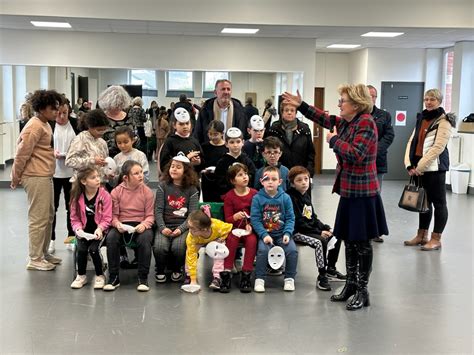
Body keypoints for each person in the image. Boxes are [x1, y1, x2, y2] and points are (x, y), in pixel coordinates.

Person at [282, 84, 389, 311]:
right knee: (349, 239)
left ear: (357, 105)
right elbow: (324, 118)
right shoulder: (350, 121)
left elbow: (357, 154)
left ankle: (362, 290)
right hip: (350, 191)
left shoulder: (366, 123)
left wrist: (333, 141)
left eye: (343, 101)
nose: (339, 104)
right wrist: (300, 105)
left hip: (363, 193)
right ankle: (350, 285)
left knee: (362, 244)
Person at [11, 89, 64, 271]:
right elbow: (21, 153)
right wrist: (15, 176)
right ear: (41, 108)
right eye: (53, 108)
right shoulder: (34, 126)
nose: (56, 112)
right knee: (38, 218)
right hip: (35, 176)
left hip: (45, 175)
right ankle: (35, 258)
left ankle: (43, 253)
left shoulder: (45, 123)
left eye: (57, 108)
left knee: (48, 216)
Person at [403, 88, 455, 251]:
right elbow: (411, 141)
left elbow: (438, 147)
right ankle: (421, 235)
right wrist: (409, 165)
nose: (429, 102)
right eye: (426, 99)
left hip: (435, 168)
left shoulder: (443, 121)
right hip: (419, 168)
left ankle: (435, 238)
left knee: (439, 204)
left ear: (439, 101)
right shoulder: (421, 118)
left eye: (432, 99)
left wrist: (420, 166)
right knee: (423, 202)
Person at [104, 160, 155, 292]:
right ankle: (114, 277)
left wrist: (144, 225)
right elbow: (112, 216)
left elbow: (150, 215)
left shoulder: (147, 192)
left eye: (141, 173)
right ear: (126, 177)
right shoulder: (116, 192)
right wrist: (117, 224)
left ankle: (143, 278)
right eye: (136, 173)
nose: (141, 176)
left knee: (145, 239)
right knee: (111, 238)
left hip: (140, 224)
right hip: (122, 224)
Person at [153, 154, 199, 284]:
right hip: (164, 225)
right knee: (159, 247)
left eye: (178, 167)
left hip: (183, 226)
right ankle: (160, 270)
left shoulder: (192, 190)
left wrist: (181, 229)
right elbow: (158, 210)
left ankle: (177, 268)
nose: (174, 169)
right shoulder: (163, 186)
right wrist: (162, 228)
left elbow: (192, 214)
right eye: (172, 166)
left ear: (186, 171)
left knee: (178, 247)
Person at [250, 166, 297, 293]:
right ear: (261, 181)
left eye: (274, 179)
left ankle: (289, 278)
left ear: (280, 182)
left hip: (282, 234)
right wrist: (264, 234)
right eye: (267, 179)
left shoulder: (285, 198)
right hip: (265, 235)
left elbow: (290, 218)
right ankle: (260, 278)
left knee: (292, 251)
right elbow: (255, 219)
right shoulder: (257, 198)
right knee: (262, 251)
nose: (270, 181)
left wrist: (287, 232)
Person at [287, 166, 333, 291]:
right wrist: (319, 232)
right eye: (299, 180)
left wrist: (325, 228)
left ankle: (331, 269)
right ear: (292, 183)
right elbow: (298, 222)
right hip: (296, 232)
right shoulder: (291, 197)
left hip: (309, 229)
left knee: (334, 235)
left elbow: (312, 217)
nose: (304, 182)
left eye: (306, 179)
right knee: (320, 241)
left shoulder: (306, 196)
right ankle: (322, 275)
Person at [69, 167, 112, 289]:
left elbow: (107, 218)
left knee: (94, 249)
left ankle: (100, 275)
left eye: (98, 176)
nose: (98, 179)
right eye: (93, 178)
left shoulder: (105, 196)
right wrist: (78, 229)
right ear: (83, 181)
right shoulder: (76, 197)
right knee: (81, 249)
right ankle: (81, 275)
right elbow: (74, 218)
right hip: (84, 232)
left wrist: (100, 229)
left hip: (99, 232)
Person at [221, 163, 258, 293]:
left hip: (249, 230)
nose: (245, 177)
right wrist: (235, 217)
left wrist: (251, 224)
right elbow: (228, 219)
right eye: (240, 175)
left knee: (252, 241)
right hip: (234, 229)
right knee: (231, 239)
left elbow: (257, 214)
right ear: (233, 181)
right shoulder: (230, 196)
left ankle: (246, 273)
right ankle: (226, 273)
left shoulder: (254, 194)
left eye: (246, 174)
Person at [367, 85, 395, 243]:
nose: (372, 98)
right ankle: (363, 228)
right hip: (360, 164)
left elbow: (389, 135)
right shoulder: (357, 115)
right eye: (368, 95)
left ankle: (375, 230)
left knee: (375, 196)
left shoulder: (384, 115)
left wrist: (374, 150)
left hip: (378, 162)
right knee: (362, 198)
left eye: (374, 96)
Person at [51, 99, 78, 253]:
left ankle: (70, 237)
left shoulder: (75, 124)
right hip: (53, 173)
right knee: (52, 208)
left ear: (69, 112)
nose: (61, 116)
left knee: (71, 207)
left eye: (64, 113)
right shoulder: (49, 125)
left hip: (71, 174)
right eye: (58, 113)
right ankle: (51, 239)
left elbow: (81, 145)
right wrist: (51, 152)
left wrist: (69, 155)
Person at [183, 210, 233, 292]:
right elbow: (191, 257)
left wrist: (222, 238)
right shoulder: (191, 237)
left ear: (204, 229)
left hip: (214, 239)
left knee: (219, 250)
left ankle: (217, 277)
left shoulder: (217, 225)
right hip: (198, 241)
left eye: (193, 229)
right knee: (190, 253)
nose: (190, 231)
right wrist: (193, 280)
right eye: (189, 227)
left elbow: (229, 228)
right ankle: (189, 275)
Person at [266, 100, 315, 175]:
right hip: (279, 172)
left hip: (300, 172)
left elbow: (310, 153)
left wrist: (309, 171)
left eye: (292, 110)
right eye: (286, 110)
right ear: (282, 113)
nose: (289, 113)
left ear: (296, 113)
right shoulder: (274, 128)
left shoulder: (305, 129)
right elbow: (268, 149)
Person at [194, 79, 247, 144]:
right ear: (215, 92)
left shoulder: (239, 110)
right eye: (223, 89)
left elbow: (244, 132)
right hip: (211, 149)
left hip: (232, 150)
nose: (226, 92)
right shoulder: (206, 110)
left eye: (228, 89)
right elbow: (198, 133)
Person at [65, 109, 110, 183]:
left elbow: (104, 164)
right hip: (82, 183)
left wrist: (107, 173)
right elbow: (69, 161)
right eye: (99, 130)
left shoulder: (102, 142)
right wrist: (92, 160)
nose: (102, 133)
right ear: (89, 127)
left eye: (104, 130)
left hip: (98, 183)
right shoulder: (80, 139)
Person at [214, 127, 256, 198]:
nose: (235, 145)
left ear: (243, 142)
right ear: (226, 144)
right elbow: (219, 182)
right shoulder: (222, 162)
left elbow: (252, 179)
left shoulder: (247, 161)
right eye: (232, 142)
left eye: (238, 141)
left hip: (245, 196)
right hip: (228, 196)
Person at [159, 107, 203, 173]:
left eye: (187, 123)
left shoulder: (194, 141)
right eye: (181, 124)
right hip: (175, 181)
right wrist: (186, 159)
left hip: (192, 180)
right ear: (174, 125)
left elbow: (202, 161)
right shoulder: (170, 142)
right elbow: (163, 165)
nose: (185, 126)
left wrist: (198, 162)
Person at [98, 85, 134, 158]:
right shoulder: (101, 119)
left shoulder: (129, 117)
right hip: (108, 159)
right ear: (108, 104)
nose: (118, 108)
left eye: (120, 105)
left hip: (129, 158)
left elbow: (134, 136)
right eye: (115, 105)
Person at [200, 120, 228, 202]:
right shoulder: (204, 147)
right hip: (208, 182)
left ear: (222, 134)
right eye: (210, 134)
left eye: (215, 134)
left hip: (222, 183)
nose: (212, 137)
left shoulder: (227, 148)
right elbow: (201, 164)